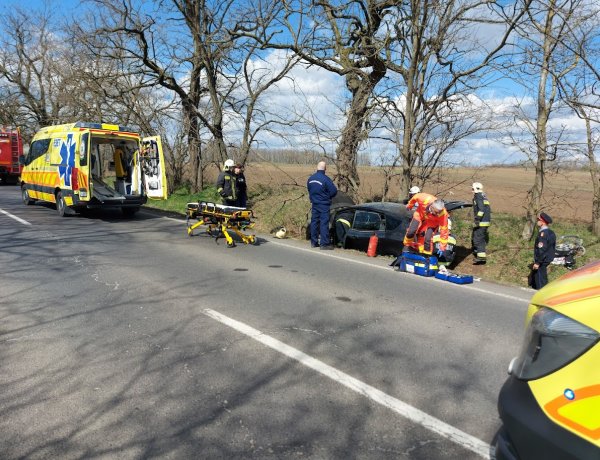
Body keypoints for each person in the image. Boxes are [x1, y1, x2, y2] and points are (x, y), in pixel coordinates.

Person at [403, 192, 449, 257]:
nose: (438, 214)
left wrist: (442, 246)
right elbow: (415, 197)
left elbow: (444, 231)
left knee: (428, 238)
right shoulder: (424, 198)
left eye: (439, 212)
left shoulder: (443, 214)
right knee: (411, 231)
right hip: (420, 214)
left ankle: (426, 256)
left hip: (432, 222)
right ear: (432, 206)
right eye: (436, 212)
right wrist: (410, 205)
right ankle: (407, 246)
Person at [307, 160, 337, 250]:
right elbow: (334, 191)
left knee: (314, 222)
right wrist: (327, 196)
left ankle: (314, 242)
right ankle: (324, 244)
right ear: (325, 168)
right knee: (324, 223)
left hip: (314, 203)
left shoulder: (311, 178)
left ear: (317, 167)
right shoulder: (325, 179)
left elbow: (309, 189)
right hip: (324, 204)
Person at [530, 212, 556, 290]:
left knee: (541, 281)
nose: (537, 221)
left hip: (542, 260)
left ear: (542, 222)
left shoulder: (543, 234)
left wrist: (537, 262)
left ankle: (541, 294)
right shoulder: (551, 233)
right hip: (546, 259)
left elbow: (542, 250)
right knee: (540, 277)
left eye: (538, 220)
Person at [471, 182, 491, 265]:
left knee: (477, 239)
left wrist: (477, 219)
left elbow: (481, 209)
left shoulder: (478, 196)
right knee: (480, 238)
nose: (472, 190)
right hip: (486, 221)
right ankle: (480, 255)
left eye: (472, 188)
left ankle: (480, 257)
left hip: (481, 222)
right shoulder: (483, 196)